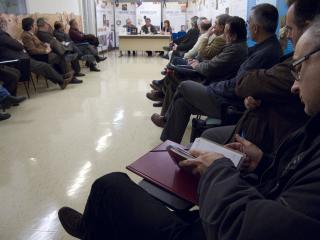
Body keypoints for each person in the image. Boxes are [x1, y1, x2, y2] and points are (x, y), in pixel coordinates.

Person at [58, 16, 320, 240]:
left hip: (212, 224)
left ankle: (93, 226)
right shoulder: (310, 132)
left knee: (109, 184)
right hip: (235, 193)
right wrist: (263, 162)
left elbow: (233, 77)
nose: (294, 83)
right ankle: (167, 129)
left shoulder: (241, 47)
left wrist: (217, 169)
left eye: (298, 67)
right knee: (179, 78)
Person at [155, 3, 282, 144]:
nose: (248, 26)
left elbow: (238, 85)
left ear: (255, 27)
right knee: (181, 101)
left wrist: (212, 88)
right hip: (227, 93)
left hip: (230, 103)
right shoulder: (266, 48)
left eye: (249, 22)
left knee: (184, 86)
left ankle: (166, 129)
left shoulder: (263, 53)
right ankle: (168, 144)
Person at [201, 0, 317, 154]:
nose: (287, 35)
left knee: (185, 89)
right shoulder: (267, 50)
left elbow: (242, 83)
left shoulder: (280, 56)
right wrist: (258, 96)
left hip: (263, 135)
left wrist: (255, 91)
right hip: (255, 125)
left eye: (290, 29)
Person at [0, 17, 73, 90]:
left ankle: (63, 78)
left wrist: (45, 44)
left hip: (30, 57)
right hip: (33, 57)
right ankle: (63, 79)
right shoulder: (25, 35)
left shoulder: (31, 34)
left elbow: (38, 43)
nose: (35, 26)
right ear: (31, 26)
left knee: (57, 57)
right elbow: (31, 50)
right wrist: (45, 51)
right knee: (52, 61)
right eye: (34, 24)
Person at [36, 18, 83, 82]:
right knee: (66, 55)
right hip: (52, 51)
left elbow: (55, 41)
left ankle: (74, 73)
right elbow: (52, 43)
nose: (49, 25)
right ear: (43, 25)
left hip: (56, 48)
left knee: (71, 49)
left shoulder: (46, 32)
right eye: (47, 24)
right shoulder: (41, 34)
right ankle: (71, 77)